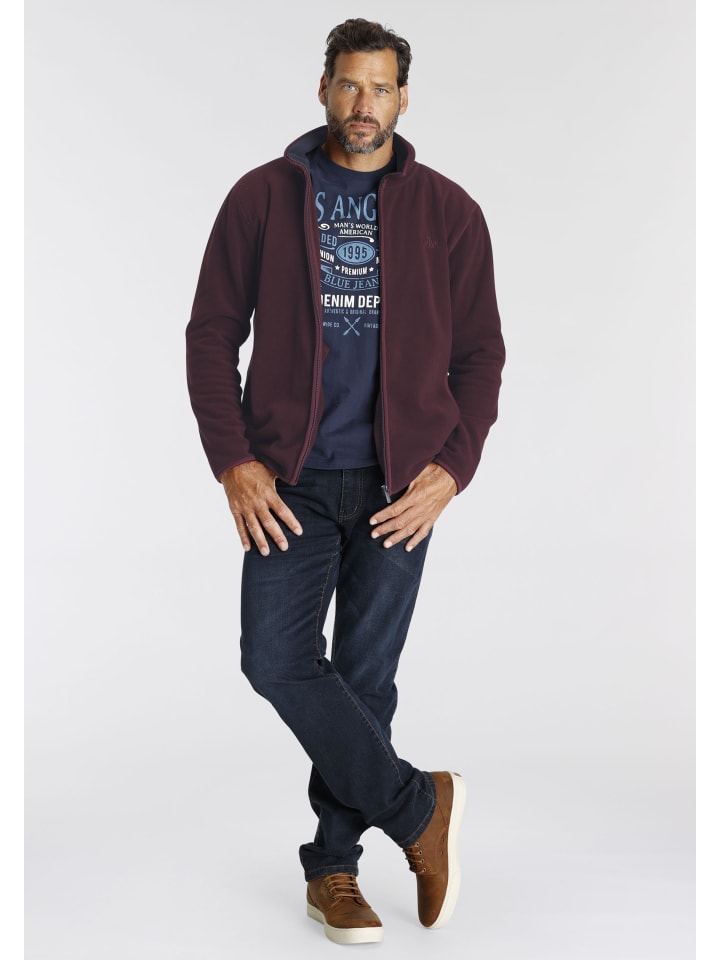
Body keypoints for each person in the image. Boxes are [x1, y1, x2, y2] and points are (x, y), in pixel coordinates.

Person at [186, 17, 505, 946]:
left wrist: (453, 470)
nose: (364, 104)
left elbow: (482, 357)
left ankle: (334, 870)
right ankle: (418, 808)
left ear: (405, 98)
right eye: (350, 85)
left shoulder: (450, 212)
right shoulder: (262, 196)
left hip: (400, 487)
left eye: (381, 87)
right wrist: (233, 459)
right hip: (289, 481)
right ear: (323, 88)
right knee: (274, 660)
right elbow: (211, 334)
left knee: (366, 681)